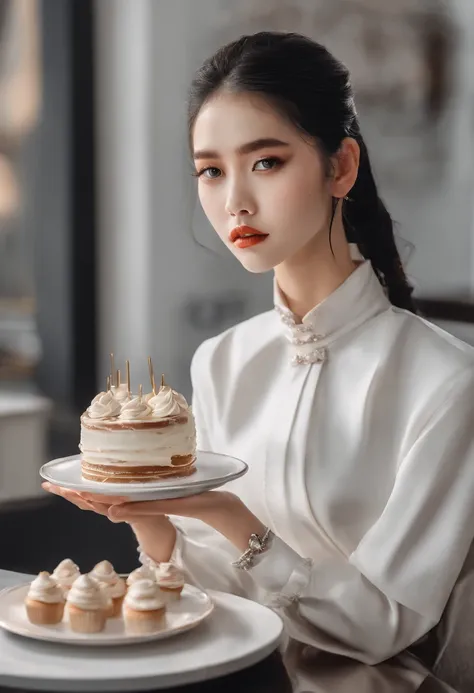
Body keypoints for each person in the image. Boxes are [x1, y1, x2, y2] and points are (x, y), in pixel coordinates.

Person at [44, 32, 474, 688]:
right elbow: (207, 590)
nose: (234, 201)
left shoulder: (445, 384)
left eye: (266, 162)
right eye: (210, 170)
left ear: (341, 167)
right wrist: (153, 520)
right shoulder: (222, 360)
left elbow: (381, 624)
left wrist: (227, 514)